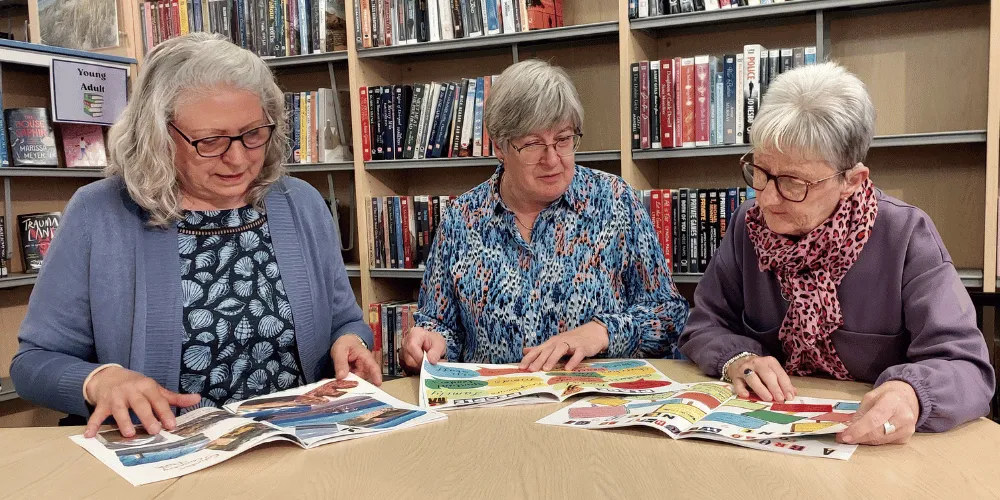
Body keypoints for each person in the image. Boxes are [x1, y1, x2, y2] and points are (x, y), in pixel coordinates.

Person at [10, 33, 380, 440]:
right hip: (169, 453)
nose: (238, 158)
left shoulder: (301, 204)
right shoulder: (99, 214)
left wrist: (349, 341)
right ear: (157, 135)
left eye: (253, 133)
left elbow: (345, 320)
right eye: (211, 141)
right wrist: (100, 381)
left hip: (299, 441)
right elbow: (33, 364)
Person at [678, 62, 995, 445]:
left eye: (794, 183)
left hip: (872, 445)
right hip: (762, 434)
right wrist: (738, 359)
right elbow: (703, 325)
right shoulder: (748, 225)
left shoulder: (906, 235)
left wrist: (911, 393)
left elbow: (967, 367)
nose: (767, 197)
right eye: (759, 172)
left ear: (852, 180)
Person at [400, 59, 689, 373]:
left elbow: (669, 316)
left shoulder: (616, 202)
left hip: (592, 406)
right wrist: (429, 342)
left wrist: (603, 332)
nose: (552, 159)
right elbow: (440, 325)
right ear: (500, 147)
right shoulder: (462, 218)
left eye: (563, 140)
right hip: (495, 409)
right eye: (534, 143)